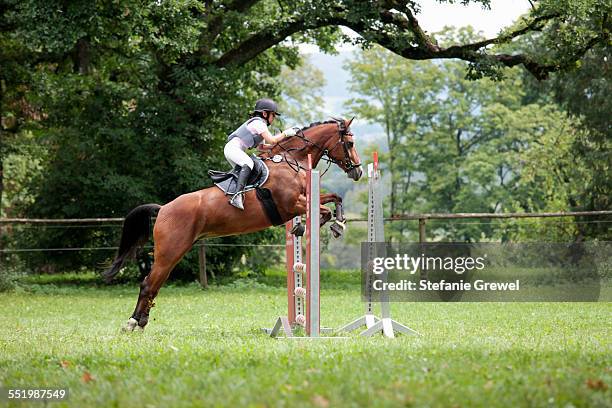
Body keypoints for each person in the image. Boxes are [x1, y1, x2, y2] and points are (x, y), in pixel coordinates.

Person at [224, 98, 300, 210]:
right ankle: (236, 196)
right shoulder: (258, 123)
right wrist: (285, 133)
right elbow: (272, 140)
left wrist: (282, 147)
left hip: (234, 150)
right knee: (249, 163)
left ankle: (240, 194)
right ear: (265, 113)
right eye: (273, 115)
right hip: (233, 149)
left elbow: (262, 147)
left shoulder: (260, 125)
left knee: (247, 174)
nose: (274, 118)